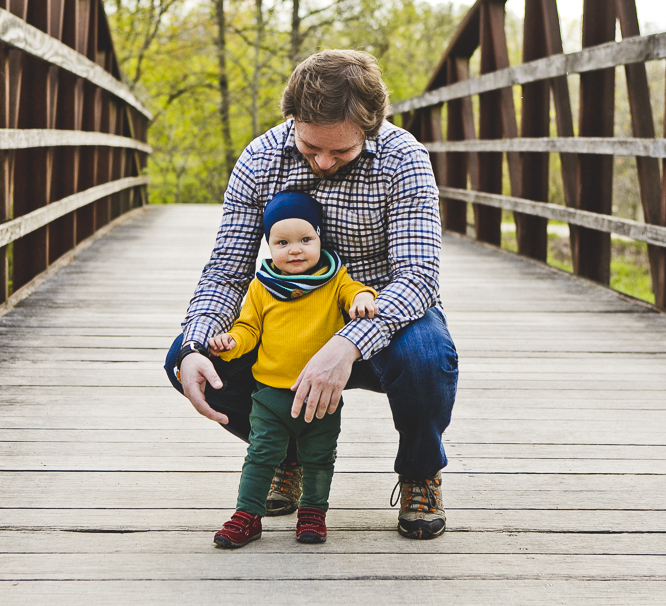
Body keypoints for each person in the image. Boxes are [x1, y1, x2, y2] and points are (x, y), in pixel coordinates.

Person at [165, 48, 458, 540]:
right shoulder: (259, 159)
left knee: (428, 356)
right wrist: (195, 344)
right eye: (309, 147)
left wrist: (347, 342)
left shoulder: (404, 158)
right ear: (292, 118)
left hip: (380, 316)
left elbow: (418, 278)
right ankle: (288, 455)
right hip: (282, 322)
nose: (323, 162)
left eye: (340, 151)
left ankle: (419, 472)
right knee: (187, 359)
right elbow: (226, 273)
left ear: (371, 127)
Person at [210, 192, 377, 548]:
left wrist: (363, 298)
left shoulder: (334, 280)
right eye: (282, 242)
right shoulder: (262, 287)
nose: (295, 249)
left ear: (319, 238)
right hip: (271, 396)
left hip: (321, 395)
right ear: (269, 245)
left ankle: (313, 512)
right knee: (260, 456)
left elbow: (354, 292)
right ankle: (247, 514)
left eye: (305, 239)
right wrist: (231, 343)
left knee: (319, 458)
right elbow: (248, 329)